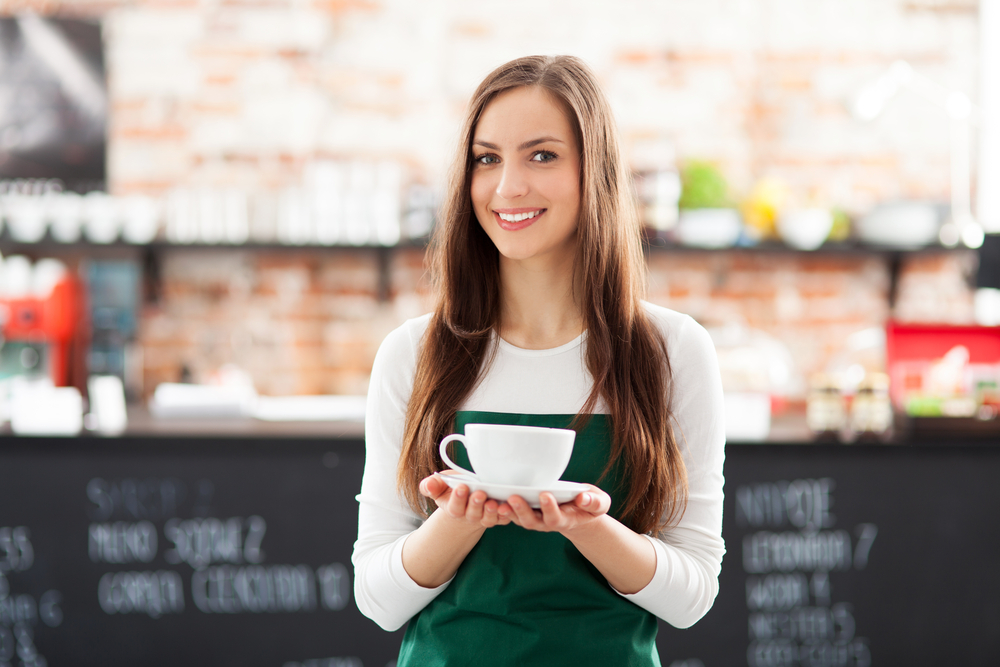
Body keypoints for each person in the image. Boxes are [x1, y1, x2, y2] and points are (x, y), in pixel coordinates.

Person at [352, 54, 725, 666]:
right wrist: (460, 521)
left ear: (594, 173)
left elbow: (692, 597)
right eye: (487, 158)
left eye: (542, 155)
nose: (508, 187)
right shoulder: (414, 354)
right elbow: (377, 599)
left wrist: (585, 526)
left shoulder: (671, 351)